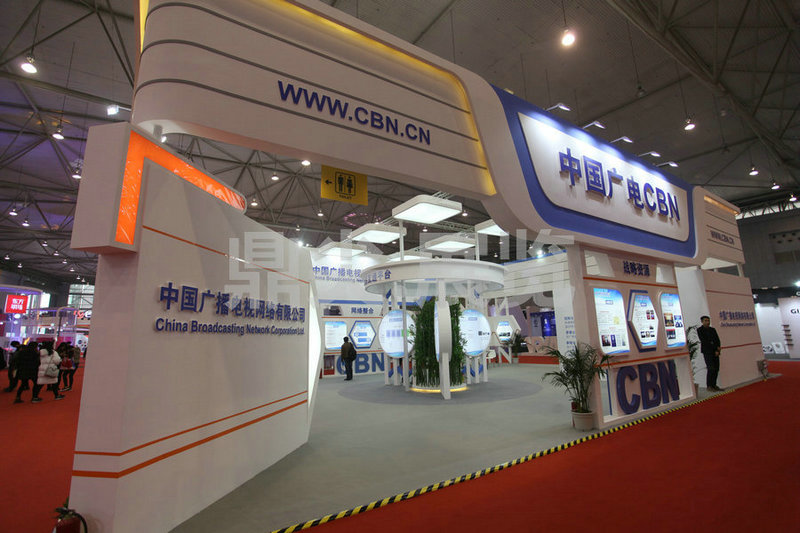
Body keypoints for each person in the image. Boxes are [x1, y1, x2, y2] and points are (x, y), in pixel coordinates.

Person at [697, 315, 723, 392]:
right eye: (705, 321)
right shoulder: (700, 330)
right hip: (707, 352)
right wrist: (714, 349)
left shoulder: (712, 329)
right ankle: (709, 386)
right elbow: (705, 341)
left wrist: (718, 349)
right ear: (702, 322)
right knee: (711, 368)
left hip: (716, 352)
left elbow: (717, 340)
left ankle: (714, 385)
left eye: (708, 320)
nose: (707, 322)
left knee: (716, 368)